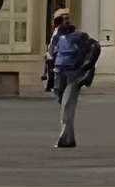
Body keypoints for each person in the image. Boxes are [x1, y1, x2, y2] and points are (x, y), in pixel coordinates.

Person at [42, 8, 100, 149]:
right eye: (62, 18)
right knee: (64, 105)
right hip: (58, 74)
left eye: (67, 18)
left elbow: (95, 46)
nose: (66, 20)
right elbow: (50, 55)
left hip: (73, 74)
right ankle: (70, 139)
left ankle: (63, 138)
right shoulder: (55, 37)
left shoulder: (78, 36)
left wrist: (87, 65)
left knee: (67, 105)